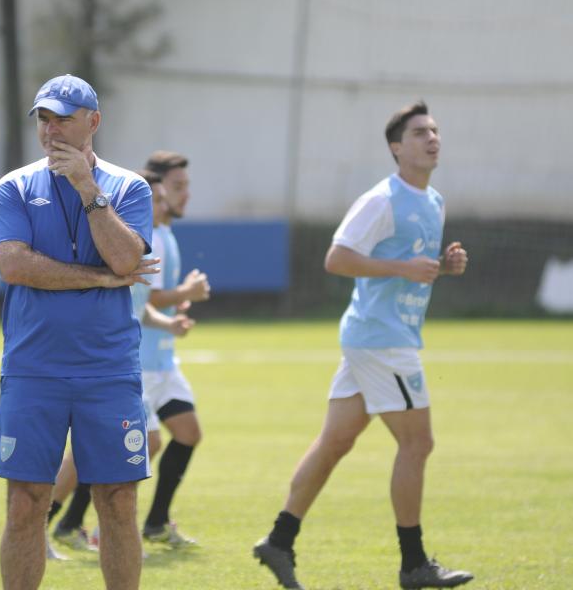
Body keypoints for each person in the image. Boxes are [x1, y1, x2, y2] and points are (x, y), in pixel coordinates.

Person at [252, 101, 473, 590]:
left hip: (378, 337)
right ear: (397, 148)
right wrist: (403, 268)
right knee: (418, 442)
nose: (432, 138)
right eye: (420, 132)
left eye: (435, 130)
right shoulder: (382, 199)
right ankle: (414, 564)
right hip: (382, 340)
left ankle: (278, 541)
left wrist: (443, 266)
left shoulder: (433, 201)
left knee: (335, 442)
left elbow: (412, 265)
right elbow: (337, 258)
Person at [0, 74, 158, 590]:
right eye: (43, 118)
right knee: (25, 503)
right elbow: (15, 266)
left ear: (94, 122)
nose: (51, 129)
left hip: (107, 371)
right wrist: (101, 280)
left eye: (63, 117)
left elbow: (129, 256)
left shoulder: (130, 187)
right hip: (32, 370)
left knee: (118, 502)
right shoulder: (14, 187)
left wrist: (88, 187)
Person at [48, 170, 194, 556]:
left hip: (139, 360)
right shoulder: (125, 242)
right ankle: (64, 525)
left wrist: (170, 322)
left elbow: (142, 307)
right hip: (125, 362)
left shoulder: (146, 239)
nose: (164, 204)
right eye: (160, 197)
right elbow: (145, 302)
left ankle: (74, 525)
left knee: (143, 442)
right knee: (113, 448)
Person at [138, 151, 210, 547]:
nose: (185, 195)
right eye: (177, 187)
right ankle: (67, 522)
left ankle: (154, 523)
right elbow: (144, 299)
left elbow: (151, 302)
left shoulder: (165, 234)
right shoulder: (144, 236)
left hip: (163, 359)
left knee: (186, 432)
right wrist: (184, 294)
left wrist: (176, 310)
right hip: (140, 361)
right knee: (133, 448)